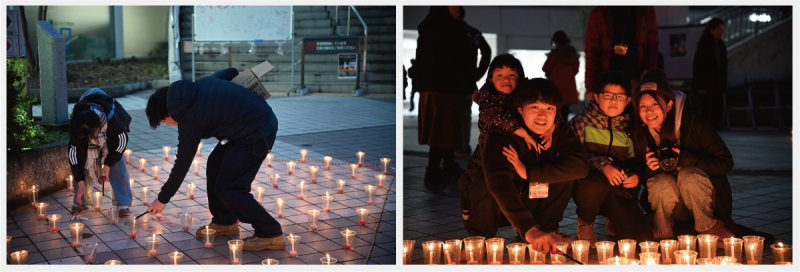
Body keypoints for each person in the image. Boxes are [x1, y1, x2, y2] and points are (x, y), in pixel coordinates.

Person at [145, 67, 283, 251]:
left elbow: (183, 162)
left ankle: (270, 233)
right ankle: (225, 222)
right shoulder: (198, 85)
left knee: (230, 187)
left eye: (164, 122)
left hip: (258, 131)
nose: (168, 124)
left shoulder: (190, 119)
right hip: (244, 129)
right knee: (215, 165)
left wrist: (162, 199)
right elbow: (230, 71)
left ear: (168, 112)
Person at [476, 78, 590, 252]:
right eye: (535, 107)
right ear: (520, 109)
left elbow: (581, 166)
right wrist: (528, 228)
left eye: (549, 108)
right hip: (501, 208)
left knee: (565, 170)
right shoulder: (501, 133)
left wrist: (530, 173)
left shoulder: (558, 129)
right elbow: (498, 183)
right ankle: (480, 239)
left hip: (533, 200)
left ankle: (546, 228)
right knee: (486, 180)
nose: (542, 115)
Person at [631, 68, 737, 244]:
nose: (648, 112)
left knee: (688, 175)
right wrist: (649, 169)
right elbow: (645, 180)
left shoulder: (693, 123)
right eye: (643, 106)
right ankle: (662, 228)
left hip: (703, 200)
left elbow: (726, 163)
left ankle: (707, 226)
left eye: (655, 104)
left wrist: (686, 158)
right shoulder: (641, 133)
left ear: (669, 105)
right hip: (672, 207)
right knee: (660, 182)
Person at [460, 54, 553, 226]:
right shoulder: (487, 98)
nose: (506, 80)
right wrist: (524, 134)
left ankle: (530, 217)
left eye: (511, 75)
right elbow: (497, 117)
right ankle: (468, 210)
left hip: (518, 149)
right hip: (487, 150)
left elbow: (547, 105)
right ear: (490, 80)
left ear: (521, 78)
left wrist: (551, 128)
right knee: (469, 180)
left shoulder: (526, 95)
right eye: (499, 76)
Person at [569, 70, 653, 246]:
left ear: (628, 100)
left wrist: (636, 175)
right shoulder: (581, 122)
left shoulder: (633, 126)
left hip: (619, 190)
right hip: (589, 187)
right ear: (597, 97)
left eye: (620, 96)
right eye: (608, 95)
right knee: (594, 184)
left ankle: (615, 219)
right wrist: (603, 165)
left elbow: (638, 162)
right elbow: (572, 156)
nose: (614, 101)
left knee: (641, 240)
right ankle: (585, 222)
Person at [415, 6, 473, 185]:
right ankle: (433, 170)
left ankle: (446, 165)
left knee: (442, 129)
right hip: (445, 87)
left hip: (432, 86)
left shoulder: (429, 25)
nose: (457, 6)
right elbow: (462, 56)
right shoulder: (451, 27)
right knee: (442, 129)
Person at [68, 88, 132, 216]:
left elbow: (121, 143)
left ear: (98, 127)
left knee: (117, 162)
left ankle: (122, 202)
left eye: (93, 134)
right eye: (86, 137)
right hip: (86, 126)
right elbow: (74, 156)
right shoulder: (77, 125)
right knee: (84, 159)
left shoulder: (112, 118)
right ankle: (81, 199)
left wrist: (108, 164)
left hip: (111, 137)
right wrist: (80, 180)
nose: (92, 138)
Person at [585, 6, 658, 100]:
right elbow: (592, 52)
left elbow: (652, 45)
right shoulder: (600, 11)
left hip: (635, 80)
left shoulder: (645, 9)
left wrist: (648, 76)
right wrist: (591, 88)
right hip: (606, 82)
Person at [455, 6, 492, 157]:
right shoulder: (472, 33)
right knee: (464, 115)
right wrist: (478, 72)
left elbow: (486, 51)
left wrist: (479, 72)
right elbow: (486, 51)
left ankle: (458, 146)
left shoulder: (464, 33)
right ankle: (462, 145)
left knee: (459, 115)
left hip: (459, 81)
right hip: (467, 80)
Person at [691, 18, 727, 128]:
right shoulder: (705, 46)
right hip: (706, 88)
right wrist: (701, 86)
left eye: (722, 30)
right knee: (707, 114)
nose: (721, 32)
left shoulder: (720, 46)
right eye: (719, 29)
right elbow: (699, 67)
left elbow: (723, 67)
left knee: (716, 113)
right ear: (711, 30)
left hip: (717, 87)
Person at [543, 30, 580, 119]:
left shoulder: (555, 54)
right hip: (569, 88)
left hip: (555, 87)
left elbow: (545, 68)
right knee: (565, 113)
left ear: (556, 42)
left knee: (554, 113)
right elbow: (576, 69)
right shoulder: (573, 54)